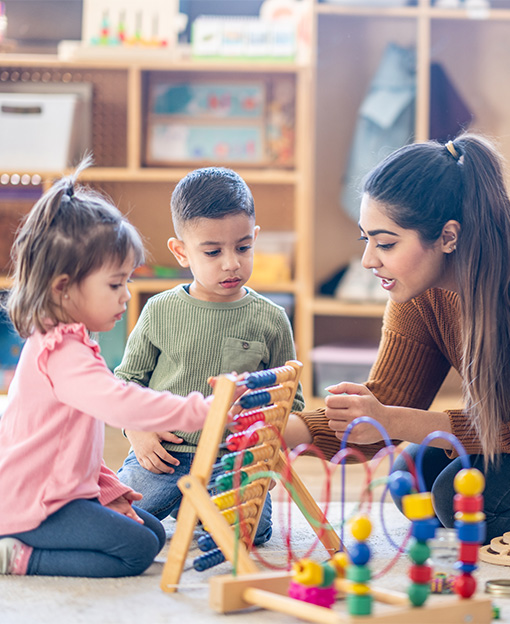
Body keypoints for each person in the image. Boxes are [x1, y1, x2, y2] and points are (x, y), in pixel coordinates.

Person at [285, 132, 510, 542]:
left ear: (448, 237)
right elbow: (388, 402)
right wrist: (284, 432)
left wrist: (388, 419)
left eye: (386, 243)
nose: (368, 260)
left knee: (461, 503)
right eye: (367, 239)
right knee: (409, 478)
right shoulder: (417, 288)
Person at [0, 161, 219, 577]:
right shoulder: (61, 352)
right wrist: (202, 410)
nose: (126, 296)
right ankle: (17, 556)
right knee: (136, 551)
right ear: (63, 287)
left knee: (153, 534)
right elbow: (123, 405)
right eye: (115, 284)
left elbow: (71, 445)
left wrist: (109, 490)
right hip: (35, 501)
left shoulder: (73, 339)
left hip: (62, 489)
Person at [116, 167, 304, 546]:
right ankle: (185, 503)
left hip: (232, 462)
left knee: (250, 534)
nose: (231, 263)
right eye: (213, 251)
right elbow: (124, 382)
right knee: (115, 520)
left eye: (243, 247)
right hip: (164, 455)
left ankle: (195, 508)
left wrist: (258, 443)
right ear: (181, 251)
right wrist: (137, 430)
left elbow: (292, 401)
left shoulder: (272, 319)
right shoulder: (159, 310)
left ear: (255, 239)